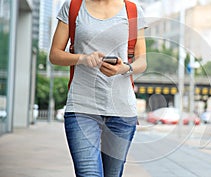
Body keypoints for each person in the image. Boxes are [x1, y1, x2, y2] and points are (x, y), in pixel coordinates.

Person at [49, 0, 147, 176]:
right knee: (89, 173)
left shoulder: (132, 10)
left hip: (122, 111)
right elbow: (55, 54)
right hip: (82, 107)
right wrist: (83, 59)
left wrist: (124, 68)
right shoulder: (73, 7)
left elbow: (142, 61)